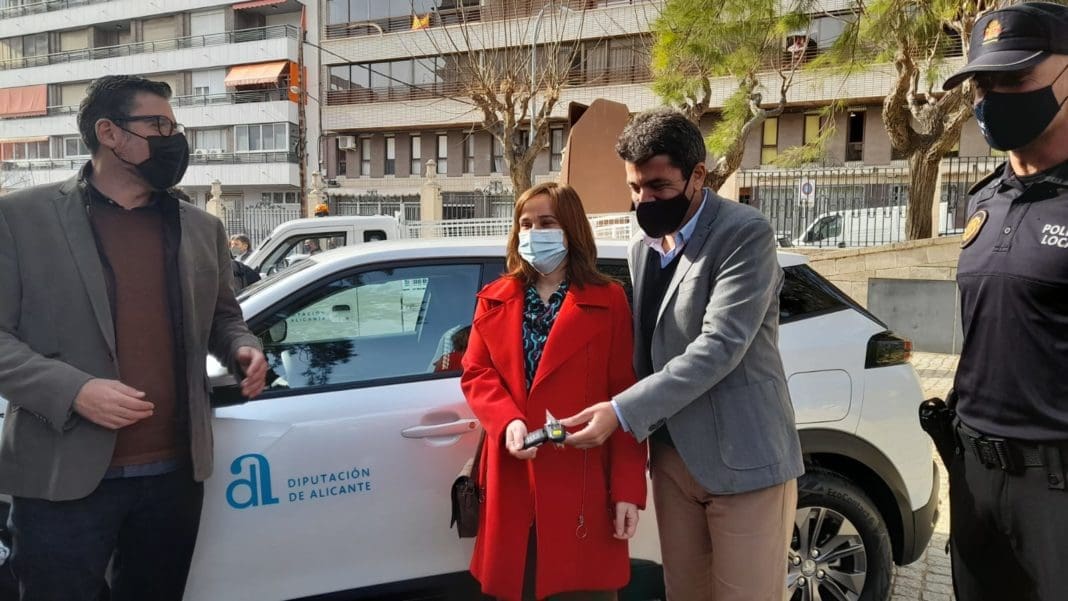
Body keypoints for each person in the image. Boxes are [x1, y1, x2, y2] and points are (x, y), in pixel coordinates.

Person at [0, 74, 268, 601]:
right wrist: (72, 390)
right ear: (110, 133)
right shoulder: (20, 219)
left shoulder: (200, 227)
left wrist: (242, 347)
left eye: (175, 126)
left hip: (174, 475)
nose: (174, 139)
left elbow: (221, 318)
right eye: (158, 124)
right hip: (63, 478)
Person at [561, 108, 803, 601]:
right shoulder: (641, 248)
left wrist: (622, 411)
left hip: (744, 462)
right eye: (635, 188)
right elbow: (642, 351)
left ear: (698, 175)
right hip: (673, 462)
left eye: (658, 187)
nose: (643, 200)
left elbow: (720, 345)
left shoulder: (744, 233)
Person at [461, 182, 647, 601]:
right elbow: (476, 373)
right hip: (511, 478)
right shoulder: (494, 299)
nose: (532, 233)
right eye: (524, 224)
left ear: (572, 230)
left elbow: (625, 398)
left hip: (579, 482)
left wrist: (627, 493)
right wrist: (506, 419)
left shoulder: (608, 300)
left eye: (546, 223)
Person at [940, 4, 1068, 599]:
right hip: (974, 481)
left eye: (1014, 78)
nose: (992, 97)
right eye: (983, 84)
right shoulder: (984, 200)